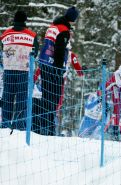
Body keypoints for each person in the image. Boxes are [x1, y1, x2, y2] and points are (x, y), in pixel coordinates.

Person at [37, 6, 79, 135]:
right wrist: (59, 69)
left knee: (45, 97)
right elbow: (60, 51)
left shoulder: (53, 26)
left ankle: (42, 128)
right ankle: (49, 130)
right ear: (73, 19)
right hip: (53, 67)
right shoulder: (64, 30)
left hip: (43, 63)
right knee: (53, 99)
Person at [0, 10, 38, 130]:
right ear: (25, 20)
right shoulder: (31, 35)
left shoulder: (5, 34)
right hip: (24, 70)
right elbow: (35, 52)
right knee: (22, 99)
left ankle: (5, 124)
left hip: (9, 70)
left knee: (7, 98)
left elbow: (2, 48)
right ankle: (19, 126)